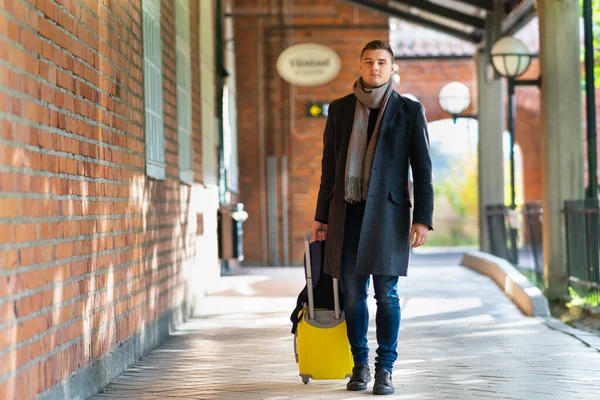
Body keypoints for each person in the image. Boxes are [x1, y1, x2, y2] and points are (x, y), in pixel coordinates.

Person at [311, 40, 434, 396]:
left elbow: (423, 170)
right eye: (369, 62)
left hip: (389, 216)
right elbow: (329, 169)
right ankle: (359, 365)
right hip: (346, 213)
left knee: (387, 294)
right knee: (352, 295)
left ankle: (385, 370)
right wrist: (321, 216)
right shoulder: (339, 110)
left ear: (392, 67)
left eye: (382, 62)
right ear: (360, 66)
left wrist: (422, 218)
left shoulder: (409, 111)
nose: (375, 68)